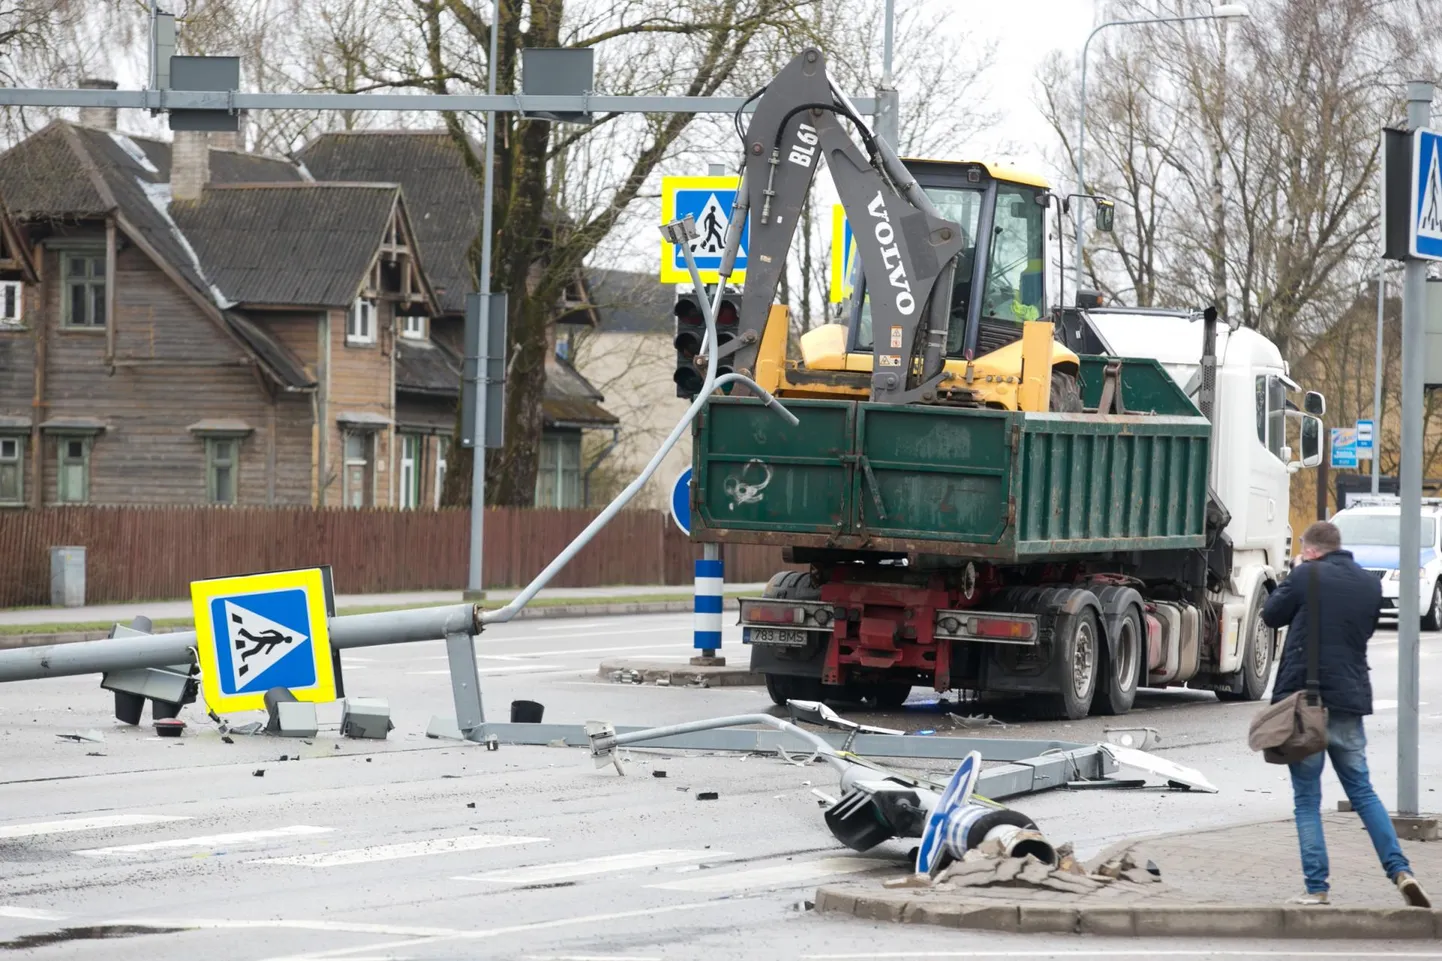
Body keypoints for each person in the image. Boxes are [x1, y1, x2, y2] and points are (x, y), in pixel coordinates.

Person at [1262, 520, 1431, 907]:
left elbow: (1272, 615)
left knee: (1307, 798)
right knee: (1364, 791)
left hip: (1306, 706)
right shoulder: (1369, 584)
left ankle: (1317, 888)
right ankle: (1400, 870)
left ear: (1311, 550)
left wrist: (1293, 575)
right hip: (1349, 701)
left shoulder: (1305, 575)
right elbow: (1362, 633)